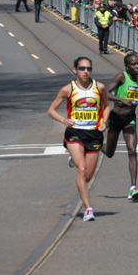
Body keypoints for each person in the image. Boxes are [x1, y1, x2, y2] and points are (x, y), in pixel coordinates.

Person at [47, 57, 111, 222]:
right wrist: (63, 120)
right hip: (75, 133)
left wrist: (104, 121)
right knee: (81, 170)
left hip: (94, 133)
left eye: (88, 69)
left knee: (88, 176)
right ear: (75, 70)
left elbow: (107, 106)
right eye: (82, 68)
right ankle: (88, 208)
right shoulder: (68, 89)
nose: (85, 72)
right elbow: (51, 110)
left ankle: (74, 158)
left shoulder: (100, 87)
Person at [104, 53, 138, 200]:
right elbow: (105, 93)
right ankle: (92, 143)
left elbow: (137, 97)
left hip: (129, 120)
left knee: (132, 151)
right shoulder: (121, 77)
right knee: (109, 153)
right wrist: (121, 100)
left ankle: (133, 187)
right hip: (115, 118)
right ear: (127, 66)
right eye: (134, 64)